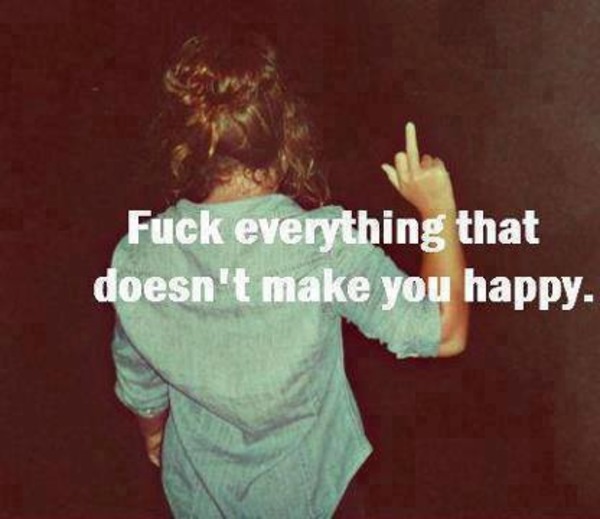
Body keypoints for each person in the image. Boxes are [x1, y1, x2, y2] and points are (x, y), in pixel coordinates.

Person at [109, 28, 469, 519]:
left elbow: (138, 375)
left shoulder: (135, 258)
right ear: (284, 138)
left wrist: (154, 433)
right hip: (312, 495)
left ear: (183, 149)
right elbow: (444, 332)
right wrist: (438, 209)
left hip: (199, 497)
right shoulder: (323, 248)